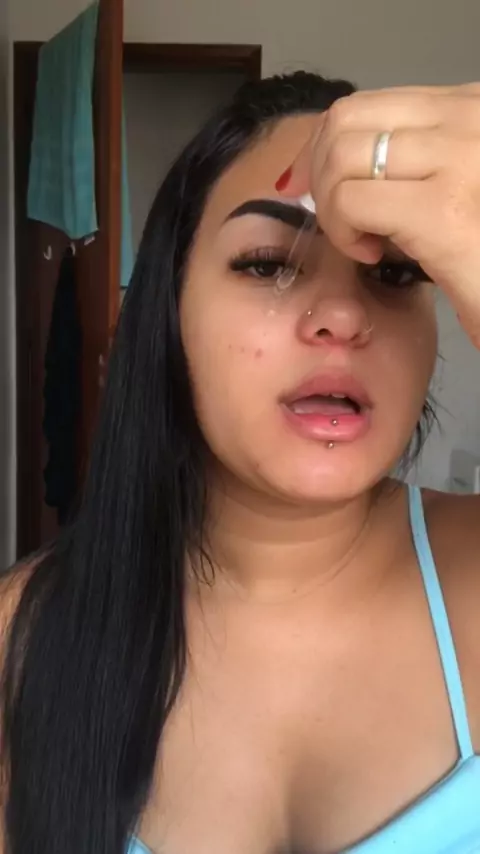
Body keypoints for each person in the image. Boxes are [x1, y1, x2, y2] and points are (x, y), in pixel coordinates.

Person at [1, 71, 480, 854]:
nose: (343, 316)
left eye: (394, 273)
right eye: (266, 264)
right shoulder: (19, 640)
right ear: (166, 312)